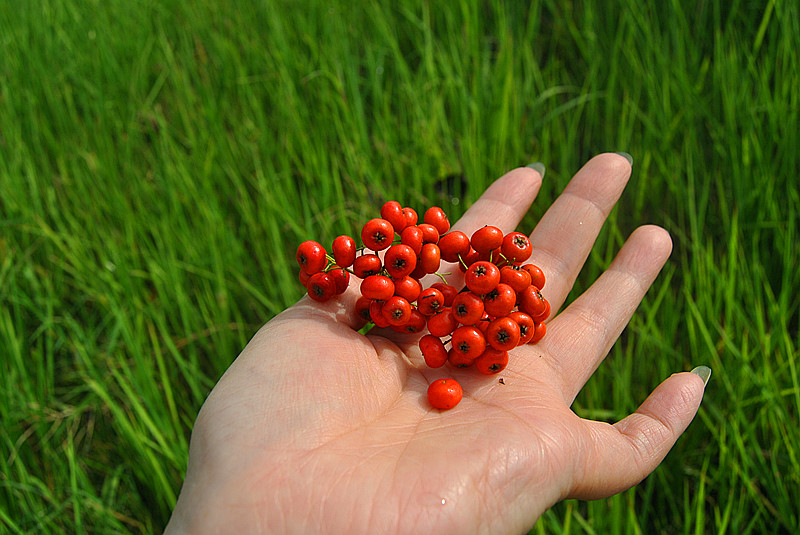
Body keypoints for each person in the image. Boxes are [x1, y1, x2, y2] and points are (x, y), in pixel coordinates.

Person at [164, 153, 710, 534]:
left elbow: (505, 308)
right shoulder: (409, 289)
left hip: (461, 321)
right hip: (450, 319)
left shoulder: (478, 298)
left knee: (496, 315)